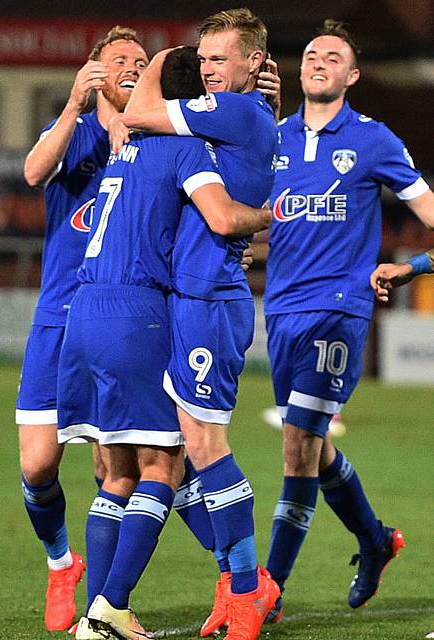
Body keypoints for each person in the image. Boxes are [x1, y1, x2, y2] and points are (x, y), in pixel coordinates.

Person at [56, 46, 274, 640]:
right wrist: (271, 216)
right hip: (138, 310)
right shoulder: (184, 148)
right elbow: (224, 218)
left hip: (83, 313)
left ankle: (100, 610)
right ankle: (112, 608)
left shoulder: (119, 151)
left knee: (115, 468)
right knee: (166, 462)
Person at [262, 19, 434, 621]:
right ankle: (375, 538)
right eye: (311, 54)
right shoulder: (273, 139)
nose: (319, 61)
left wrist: (416, 266)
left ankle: (268, 589)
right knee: (310, 447)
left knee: (298, 443)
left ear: (352, 75)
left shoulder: (373, 138)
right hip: (280, 311)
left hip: (340, 311)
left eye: (334, 56)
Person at [17, 26, 149, 631]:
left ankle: (104, 603)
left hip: (116, 323)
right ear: (94, 71)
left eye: (140, 61)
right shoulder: (75, 131)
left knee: (111, 465)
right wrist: (73, 104)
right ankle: (59, 562)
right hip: (58, 318)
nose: (132, 65)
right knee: (39, 466)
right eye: (118, 58)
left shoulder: (152, 138)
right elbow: (33, 171)